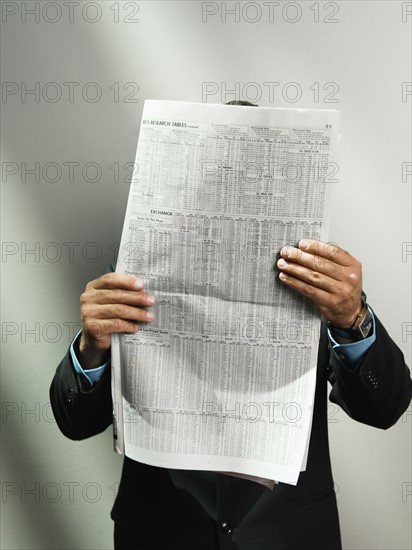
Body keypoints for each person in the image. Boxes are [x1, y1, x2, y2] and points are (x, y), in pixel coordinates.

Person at [50, 102, 412, 550]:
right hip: (160, 534)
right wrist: (92, 346)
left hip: (291, 536)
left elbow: (385, 408)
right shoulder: (138, 274)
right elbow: (74, 422)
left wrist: (353, 317)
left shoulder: (317, 280)